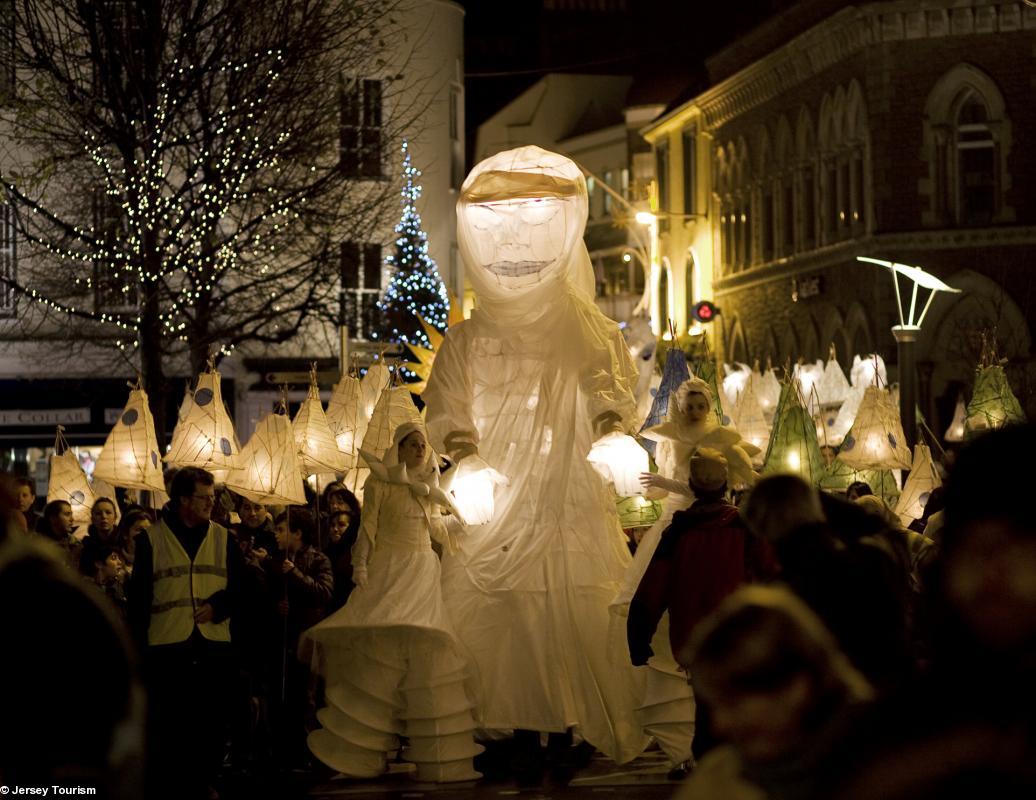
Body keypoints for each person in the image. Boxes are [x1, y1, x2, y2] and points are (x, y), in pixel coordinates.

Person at [423, 145, 649, 775]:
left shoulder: (586, 327)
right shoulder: (469, 339)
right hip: (496, 505)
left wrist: (609, 429)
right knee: (507, 624)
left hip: (564, 504)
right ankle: (521, 726)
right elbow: (446, 404)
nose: (516, 241)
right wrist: (465, 455)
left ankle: (565, 727)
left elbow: (607, 383)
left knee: (565, 612)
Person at [303, 423, 482, 782]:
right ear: (398, 448)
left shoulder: (429, 490)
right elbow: (368, 527)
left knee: (427, 650)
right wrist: (361, 565)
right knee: (380, 654)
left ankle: (438, 755)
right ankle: (359, 753)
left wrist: (467, 520)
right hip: (389, 569)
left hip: (421, 574)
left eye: (422, 444)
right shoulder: (381, 483)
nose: (418, 449)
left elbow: (435, 528)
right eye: (411, 444)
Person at [675, 585, 873, 800]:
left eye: (733, 703)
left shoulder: (889, 772)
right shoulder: (719, 777)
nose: (719, 724)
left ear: (797, 688)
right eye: (715, 706)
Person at [127, 466, 244, 800]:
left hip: (211, 646)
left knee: (209, 722)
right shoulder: (152, 540)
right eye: (203, 497)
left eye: (212, 496)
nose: (211, 503)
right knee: (171, 723)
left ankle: (203, 781)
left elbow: (240, 588)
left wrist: (218, 606)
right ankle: (175, 784)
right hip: (167, 647)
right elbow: (139, 600)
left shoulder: (224, 538)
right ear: (183, 499)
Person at [324, 508, 359, 613]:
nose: (335, 529)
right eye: (332, 525)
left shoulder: (356, 554)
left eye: (341, 525)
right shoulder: (325, 554)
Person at [34, 499, 82, 570]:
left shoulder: (75, 544)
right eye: (67, 514)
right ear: (53, 518)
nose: (72, 519)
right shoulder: (36, 546)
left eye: (71, 514)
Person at [78, 496, 120, 576]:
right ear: (93, 519)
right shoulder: (86, 545)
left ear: (115, 517)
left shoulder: (123, 542)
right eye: (98, 514)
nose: (104, 516)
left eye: (108, 512)